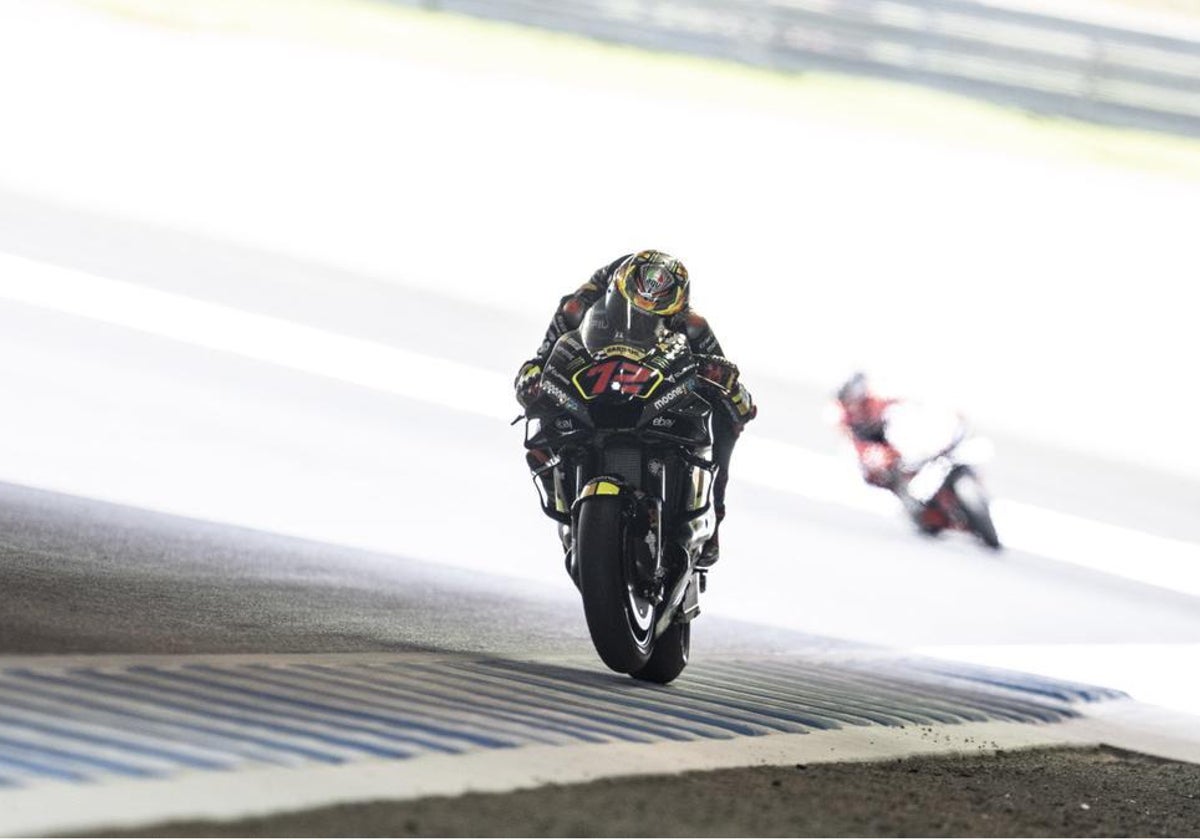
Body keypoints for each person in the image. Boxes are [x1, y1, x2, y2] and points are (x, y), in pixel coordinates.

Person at [514, 250, 756, 567]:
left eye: (656, 318)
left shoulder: (692, 324)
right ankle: (559, 485)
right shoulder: (580, 303)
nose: (644, 321)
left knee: (726, 420)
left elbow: (738, 395)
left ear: (677, 306)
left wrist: (728, 387)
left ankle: (712, 516)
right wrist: (531, 377)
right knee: (542, 410)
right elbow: (543, 357)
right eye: (637, 313)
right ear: (620, 290)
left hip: (652, 393)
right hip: (597, 387)